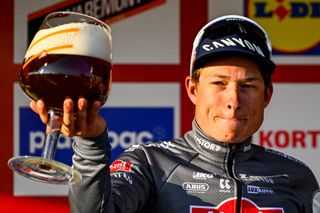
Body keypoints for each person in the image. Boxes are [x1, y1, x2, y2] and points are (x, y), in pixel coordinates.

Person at [30, 15, 319, 212]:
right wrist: (91, 145)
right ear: (192, 89)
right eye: (218, 83)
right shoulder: (150, 164)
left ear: (267, 95)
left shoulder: (298, 177)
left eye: (247, 86)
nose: (233, 100)